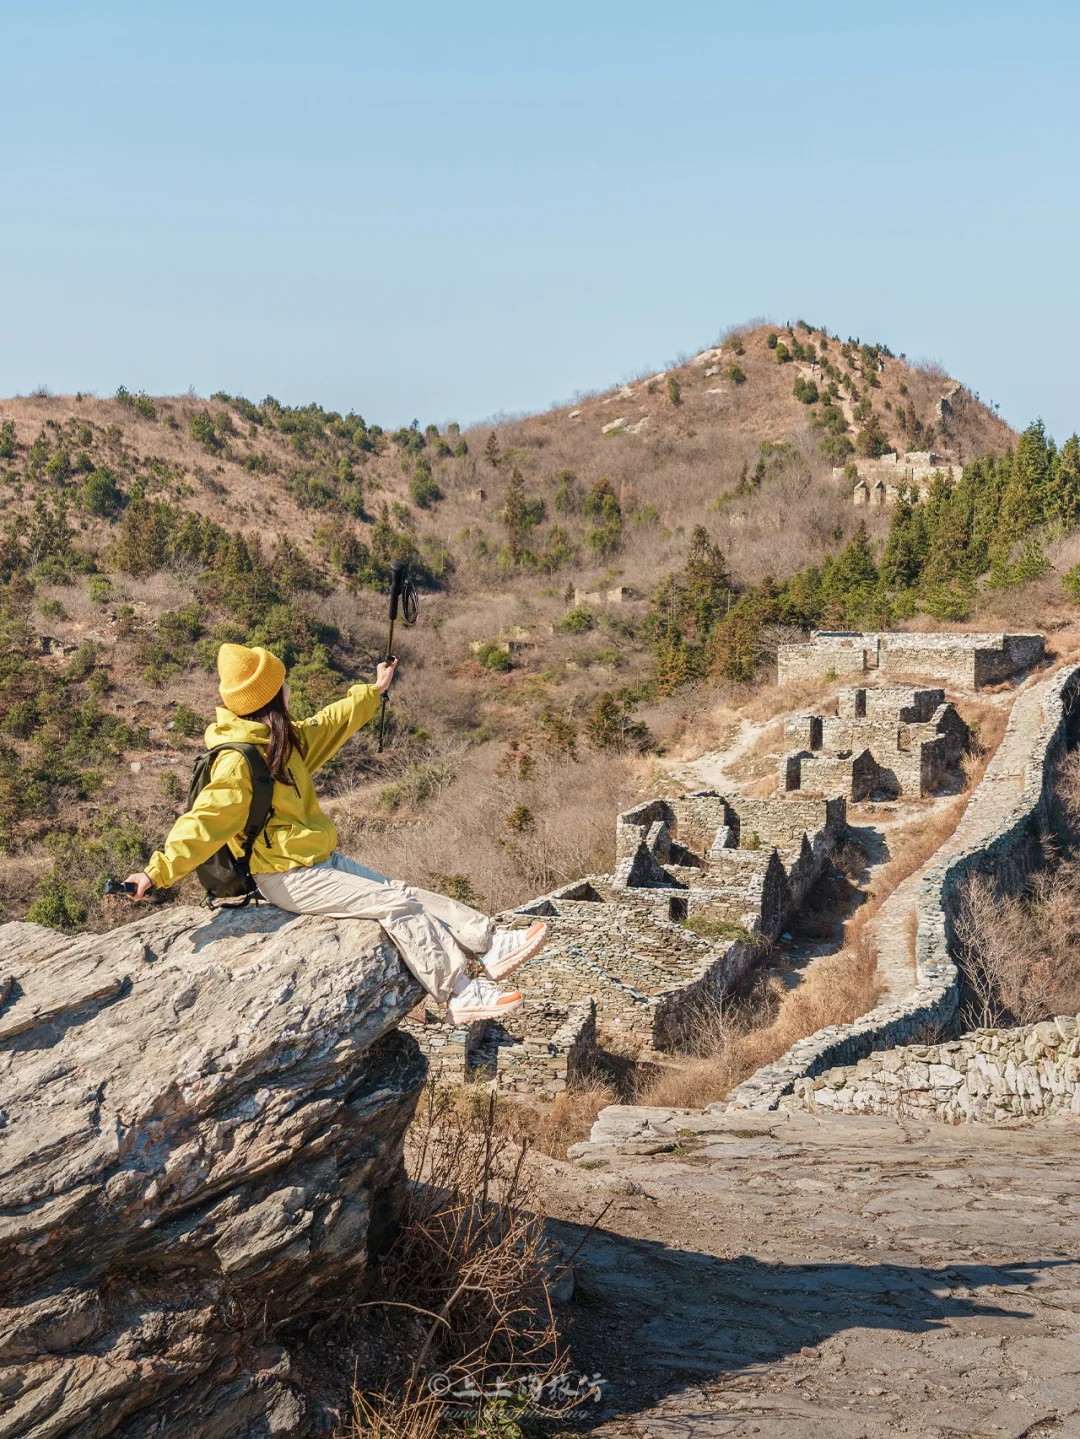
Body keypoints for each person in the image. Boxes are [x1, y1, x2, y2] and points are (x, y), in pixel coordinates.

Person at [124, 643, 548, 1023]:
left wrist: (373, 691)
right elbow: (205, 821)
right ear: (271, 697)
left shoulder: (282, 740)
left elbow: (332, 722)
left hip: (315, 861)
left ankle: (489, 943)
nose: (289, 691)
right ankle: (459, 992)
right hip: (283, 875)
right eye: (283, 685)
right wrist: (155, 872)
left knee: (403, 890)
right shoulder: (238, 761)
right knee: (395, 904)